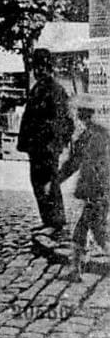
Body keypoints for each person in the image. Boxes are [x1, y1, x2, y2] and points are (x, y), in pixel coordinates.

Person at [19, 52, 75, 240]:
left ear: (48, 67)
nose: (37, 70)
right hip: (37, 147)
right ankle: (48, 220)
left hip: (47, 147)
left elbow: (64, 122)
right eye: (36, 67)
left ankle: (56, 222)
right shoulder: (38, 88)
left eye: (41, 66)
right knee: (38, 183)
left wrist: (54, 144)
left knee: (49, 184)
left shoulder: (55, 89)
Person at [59, 95, 109, 274]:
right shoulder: (93, 134)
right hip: (97, 191)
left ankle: (75, 270)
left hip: (99, 191)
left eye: (81, 113)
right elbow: (74, 162)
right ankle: (75, 270)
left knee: (95, 232)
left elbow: (81, 163)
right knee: (92, 231)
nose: (79, 117)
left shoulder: (97, 136)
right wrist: (58, 180)